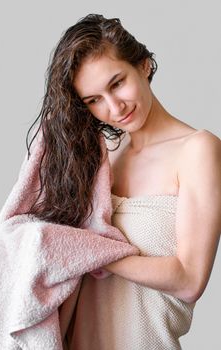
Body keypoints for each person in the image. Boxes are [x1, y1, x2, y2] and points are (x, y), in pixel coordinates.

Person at [26, 13, 221, 350]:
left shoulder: (197, 149)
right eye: (94, 100)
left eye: (117, 83)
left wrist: (90, 252)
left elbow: (189, 280)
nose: (114, 108)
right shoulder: (102, 160)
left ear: (144, 65)